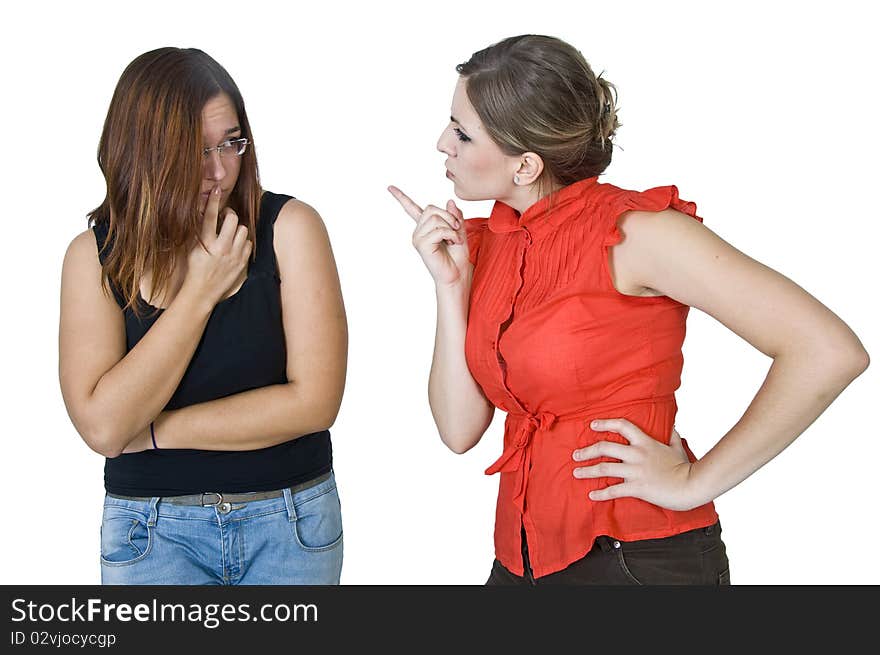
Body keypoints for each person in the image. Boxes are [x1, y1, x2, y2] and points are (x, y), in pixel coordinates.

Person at [389, 34, 869, 585]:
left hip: (637, 560)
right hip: (522, 558)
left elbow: (828, 351)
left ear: (524, 166)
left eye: (461, 132)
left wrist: (695, 482)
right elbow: (458, 431)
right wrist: (451, 289)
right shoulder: (488, 244)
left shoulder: (637, 233)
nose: (440, 144)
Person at [59, 48, 347, 585]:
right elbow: (102, 427)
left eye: (231, 143)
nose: (220, 170)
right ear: (140, 151)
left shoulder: (291, 227)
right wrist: (200, 293)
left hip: (290, 521)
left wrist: (155, 433)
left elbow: (314, 402)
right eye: (196, 151)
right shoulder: (92, 256)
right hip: (150, 529)